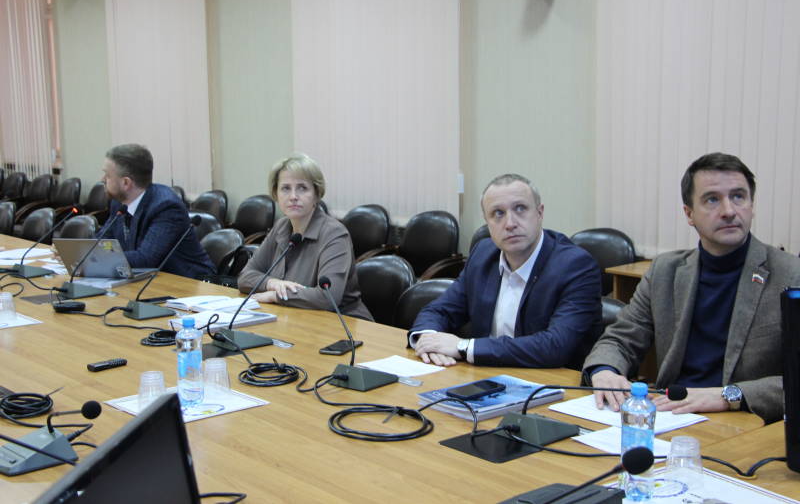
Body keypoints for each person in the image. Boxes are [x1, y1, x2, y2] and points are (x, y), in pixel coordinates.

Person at [584, 152, 800, 423]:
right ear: (689, 214)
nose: (729, 211)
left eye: (738, 196)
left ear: (752, 206)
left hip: (746, 422)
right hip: (671, 415)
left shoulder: (790, 275)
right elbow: (620, 339)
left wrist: (728, 395)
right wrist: (605, 370)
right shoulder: (665, 271)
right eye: (712, 199)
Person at [408, 173, 602, 368]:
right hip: (484, 374)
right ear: (487, 221)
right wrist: (428, 340)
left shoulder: (575, 266)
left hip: (550, 380)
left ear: (540, 213)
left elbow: (554, 347)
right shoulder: (483, 254)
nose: (510, 223)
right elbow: (439, 310)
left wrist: (463, 347)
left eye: (520, 208)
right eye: (498, 213)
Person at [237, 154, 372, 320]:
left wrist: (276, 295)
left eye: (302, 188)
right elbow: (245, 277)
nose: (293, 196)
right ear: (276, 194)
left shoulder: (335, 234)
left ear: (316, 194)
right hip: (294, 318)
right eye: (286, 188)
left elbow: (328, 297)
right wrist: (272, 283)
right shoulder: (281, 226)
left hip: (342, 323)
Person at [97, 144, 215, 279]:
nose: (102, 179)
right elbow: (102, 241)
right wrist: (94, 254)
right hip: (147, 279)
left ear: (126, 183)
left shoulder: (166, 207)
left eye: (107, 175)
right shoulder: (119, 202)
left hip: (190, 282)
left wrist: (101, 257)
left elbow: (145, 259)